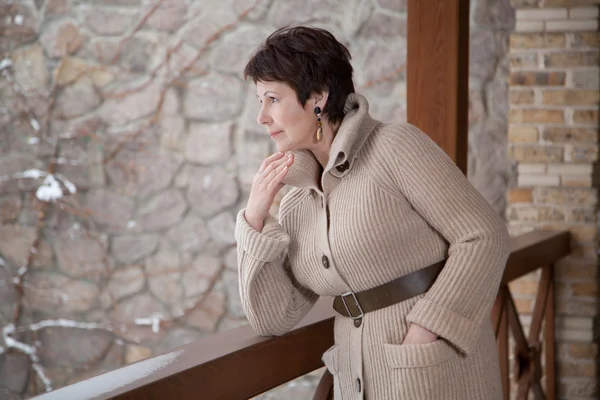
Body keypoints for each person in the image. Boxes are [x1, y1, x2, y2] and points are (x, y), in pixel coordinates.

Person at [235, 26, 510, 400]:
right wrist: (254, 220)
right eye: (259, 101)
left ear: (317, 97)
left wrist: (426, 331)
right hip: (357, 377)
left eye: (271, 98)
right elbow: (272, 318)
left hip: (434, 369)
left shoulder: (395, 146)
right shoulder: (298, 201)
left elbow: (482, 235)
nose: (261, 117)